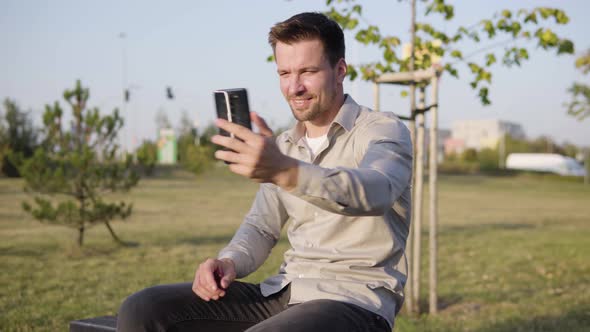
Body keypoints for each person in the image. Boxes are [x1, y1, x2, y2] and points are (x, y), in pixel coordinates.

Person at [117, 12, 412, 332]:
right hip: (285, 290)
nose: (294, 86)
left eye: (308, 71)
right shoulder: (283, 145)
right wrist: (229, 261)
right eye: (284, 72)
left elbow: (377, 191)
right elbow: (261, 227)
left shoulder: (382, 129)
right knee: (143, 308)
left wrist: (286, 171)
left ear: (339, 70)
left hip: (354, 300)